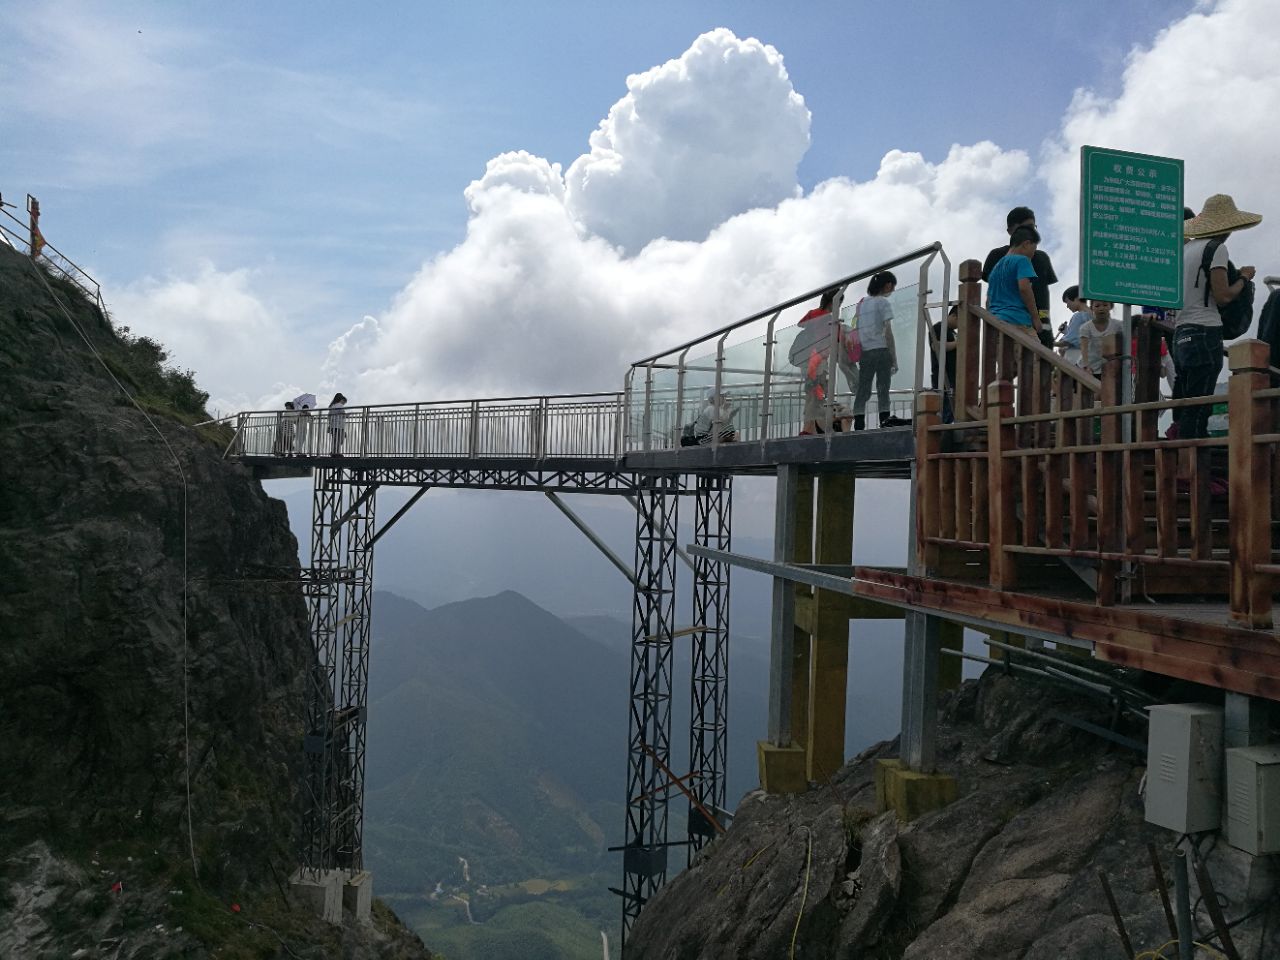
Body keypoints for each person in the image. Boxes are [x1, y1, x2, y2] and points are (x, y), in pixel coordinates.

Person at [1173, 194, 1261, 439]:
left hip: (1180, 332)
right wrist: (1244, 278)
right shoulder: (1217, 248)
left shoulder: (1186, 249)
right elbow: (1223, 295)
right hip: (1205, 330)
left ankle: (1180, 463)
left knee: (1187, 403)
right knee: (1200, 408)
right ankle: (1192, 470)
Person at [982, 206, 1058, 331]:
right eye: (1026, 227)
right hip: (1008, 322)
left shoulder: (1042, 258)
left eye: (1033, 227)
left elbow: (1043, 292)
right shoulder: (997, 256)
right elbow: (992, 293)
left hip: (1040, 324)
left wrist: (1043, 320)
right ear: (1010, 231)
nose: (1032, 232)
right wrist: (992, 321)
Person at [791, 289, 847, 434]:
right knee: (818, 394)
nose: (840, 305)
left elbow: (800, 324)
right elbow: (839, 340)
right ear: (834, 301)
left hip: (807, 359)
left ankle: (808, 427)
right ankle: (809, 430)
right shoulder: (832, 319)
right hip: (819, 361)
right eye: (840, 302)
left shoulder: (813, 313)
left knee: (812, 394)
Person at [852, 271, 903, 430]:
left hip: (865, 353)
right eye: (893, 287)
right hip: (881, 350)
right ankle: (885, 422)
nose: (892, 291)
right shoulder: (883, 303)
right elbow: (888, 331)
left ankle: (859, 424)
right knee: (883, 389)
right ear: (888, 285)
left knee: (863, 390)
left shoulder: (862, 304)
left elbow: (857, 328)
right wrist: (894, 357)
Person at [986, 225, 1052, 346]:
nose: (1033, 254)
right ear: (1026, 244)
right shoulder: (1022, 260)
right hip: (1018, 322)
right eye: (1034, 248)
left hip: (996, 323)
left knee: (1006, 363)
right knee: (1036, 360)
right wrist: (1036, 318)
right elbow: (1024, 288)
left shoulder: (996, 267)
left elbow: (989, 299)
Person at [929, 304, 959, 422]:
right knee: (945, 409)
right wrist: (958, 343)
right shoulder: (939, 328)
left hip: (953, 376)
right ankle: (944, 435)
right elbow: (936, 346)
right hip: (942, 376)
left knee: (951, 409)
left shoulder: (953, 332)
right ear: (954, 316)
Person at [1079, 300, 1122, 376]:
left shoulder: (1118, 325)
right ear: (1091, 308)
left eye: (1105, 305)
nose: (1101, 308)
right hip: (1089, 368)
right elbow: (1083, 348)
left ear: (1111, 306)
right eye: (1097, 306)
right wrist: (1086, 366)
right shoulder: (1085, 327)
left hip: (1109, 369)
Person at [1057, 285, 1090, 367]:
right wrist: (1066, 331)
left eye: (1068, 302)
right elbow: (1079, 337)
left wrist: (1050, 343)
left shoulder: (1078, 316)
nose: (1067, 306)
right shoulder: (1092, 315)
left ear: (1077, 298)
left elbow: (1070, 341)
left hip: (1075, 360)